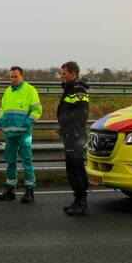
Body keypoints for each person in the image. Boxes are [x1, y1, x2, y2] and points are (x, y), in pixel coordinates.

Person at [0, 66, 42, 203]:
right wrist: (1, 120)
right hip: (10, 133)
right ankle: (10, 189)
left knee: (26, 161)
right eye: (11, 76)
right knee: (10, 161)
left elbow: (37, 110)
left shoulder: (30, 90)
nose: (13, 79)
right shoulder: (8, 91)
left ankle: (29, 190)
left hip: (23, 133)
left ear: (22, 76)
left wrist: (28, 122)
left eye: (15, 76)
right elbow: (3, 109)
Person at [58, 61, 90, 216]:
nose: (62, 76)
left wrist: (68, 127)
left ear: (73, 73)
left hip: (75, 135)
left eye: (64, 73)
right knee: (73, 168)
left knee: (75, 169)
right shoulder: (69, 89)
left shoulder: (78, 90)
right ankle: (78, 200)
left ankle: (81, 202)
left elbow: (81, 113)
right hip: (70, 134)